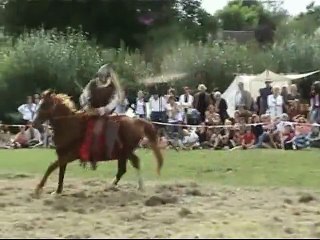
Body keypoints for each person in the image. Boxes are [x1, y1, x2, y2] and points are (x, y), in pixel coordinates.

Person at [79, 63, 124, 169]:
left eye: (103, 75)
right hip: (91, 110)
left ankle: (94, 157)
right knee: (78, 126)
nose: (101, 77)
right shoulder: (92, 83)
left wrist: (104, 109)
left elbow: (115, 99)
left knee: (96, 132)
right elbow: (84, 95)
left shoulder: (112, 85)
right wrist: (86, 106)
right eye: (100, 75)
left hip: (104, 114)